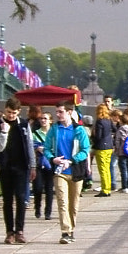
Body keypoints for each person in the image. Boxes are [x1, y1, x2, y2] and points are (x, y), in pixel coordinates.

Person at [44, 102, 89, 242]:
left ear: (69, 112)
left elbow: (85, 150)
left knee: (73, 205)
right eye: (56, 112)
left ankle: (72, 229)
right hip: (60, 172)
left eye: (61, 112)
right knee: (62, 202)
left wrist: (72, 160)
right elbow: (46, 148)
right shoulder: (54, 129)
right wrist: (53, 159)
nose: (58, 115)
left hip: (75, 171)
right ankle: (65, 232)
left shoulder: (79, 130)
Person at [0, 98, 34, 244]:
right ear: (5, 110)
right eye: (9, 112)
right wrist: (4, 133)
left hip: (21, 166)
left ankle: (20, 230)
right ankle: (9, 231)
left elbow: (29, 144)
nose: (11, 115)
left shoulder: (23, 125)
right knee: (7, 200)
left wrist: (33, 165)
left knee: (21, 198)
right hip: (5, 166)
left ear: (19, 112)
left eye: (14, 113)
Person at [29, 107, 53, 220]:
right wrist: (37, 148)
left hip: (50, 163)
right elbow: (31, 147)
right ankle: (37, 208)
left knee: (49, 189)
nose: (43, 120)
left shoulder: (53, 133)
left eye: (45, 118)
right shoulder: (35, 134)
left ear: (50, 121)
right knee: (38, 188)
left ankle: (48, 212)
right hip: (39, 163)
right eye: (42, 119)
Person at [91, 103, 118, 197]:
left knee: (102, 169)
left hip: (101, 147)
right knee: (107, 169)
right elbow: (115, 129)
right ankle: (108, 188)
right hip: (109, 146)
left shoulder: (99, 121)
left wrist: (93, 137)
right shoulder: (109, 120)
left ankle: (104, 189)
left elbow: (98, 136)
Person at [115, 110, 128, 192]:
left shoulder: (119, 130)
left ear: (121, 121)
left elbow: (117, 142)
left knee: (123, 170)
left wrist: (117, 150)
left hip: (122, 153)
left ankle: (124, 187)